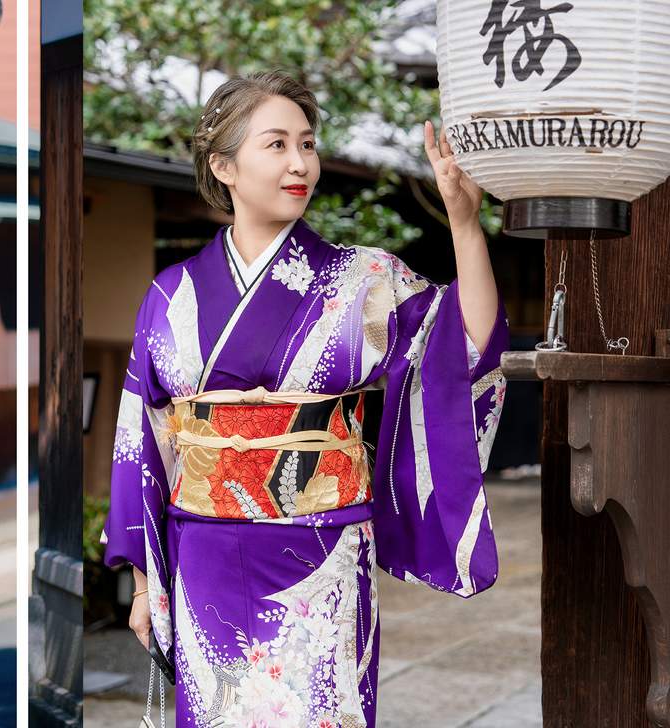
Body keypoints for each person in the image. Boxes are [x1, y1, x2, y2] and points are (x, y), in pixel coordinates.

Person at [101, 71, 508, 727]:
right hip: (202, 554)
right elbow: (140, 441)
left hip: (320, 553)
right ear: (223, 166)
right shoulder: (171, 295)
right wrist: (146, 585)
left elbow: (463, 348)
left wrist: (463, 224)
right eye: (276, 145)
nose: (299, 164)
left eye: (307, 144)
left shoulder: (362, 278)